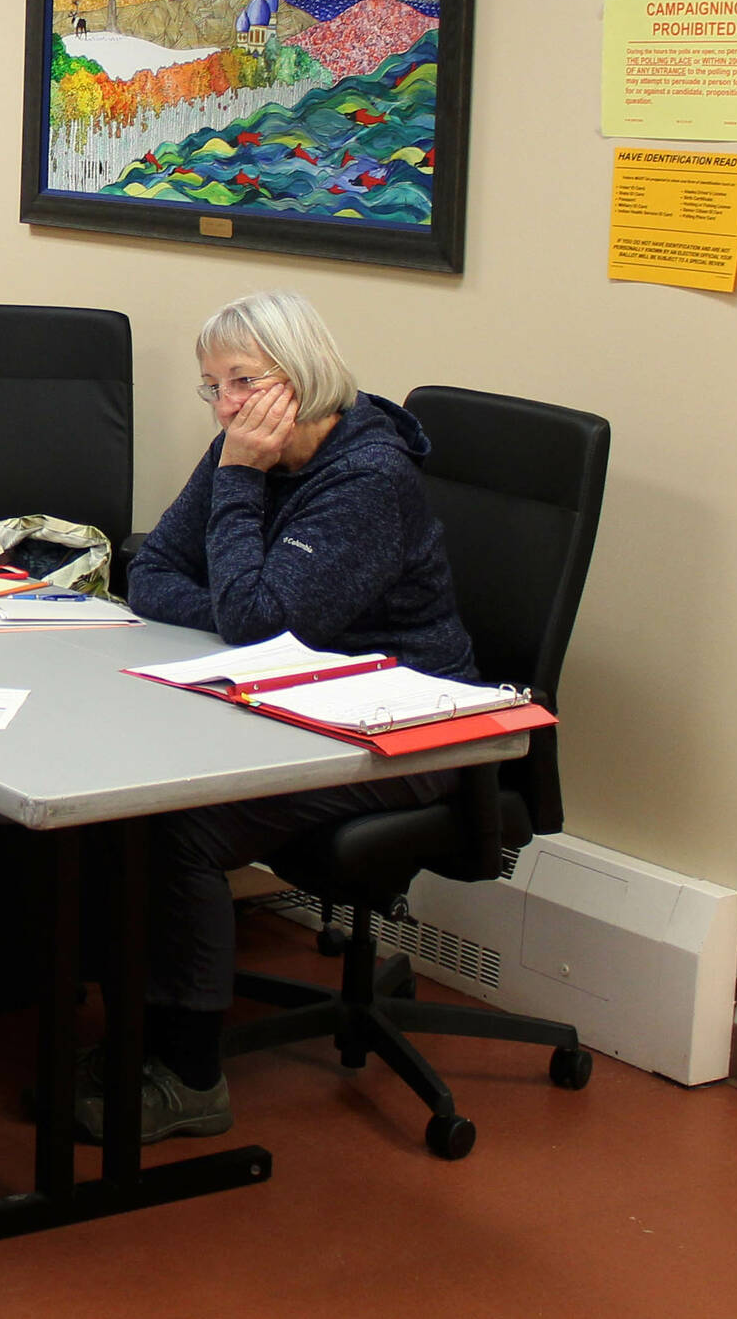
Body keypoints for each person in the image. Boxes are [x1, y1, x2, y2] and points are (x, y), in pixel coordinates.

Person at [104, 289, 477, 1143]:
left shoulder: (367, 477)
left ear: (300, 377)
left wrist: (239, 495)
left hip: (403, 729)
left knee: (181, 828)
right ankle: (145, 1031)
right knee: (137, 795)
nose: (228, 405)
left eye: (244, 381)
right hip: (289, 704)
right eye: (213, 386)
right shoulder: (242, 447)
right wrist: (241, 603)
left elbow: (261, 620)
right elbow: (151, 570)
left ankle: (191, 1074)